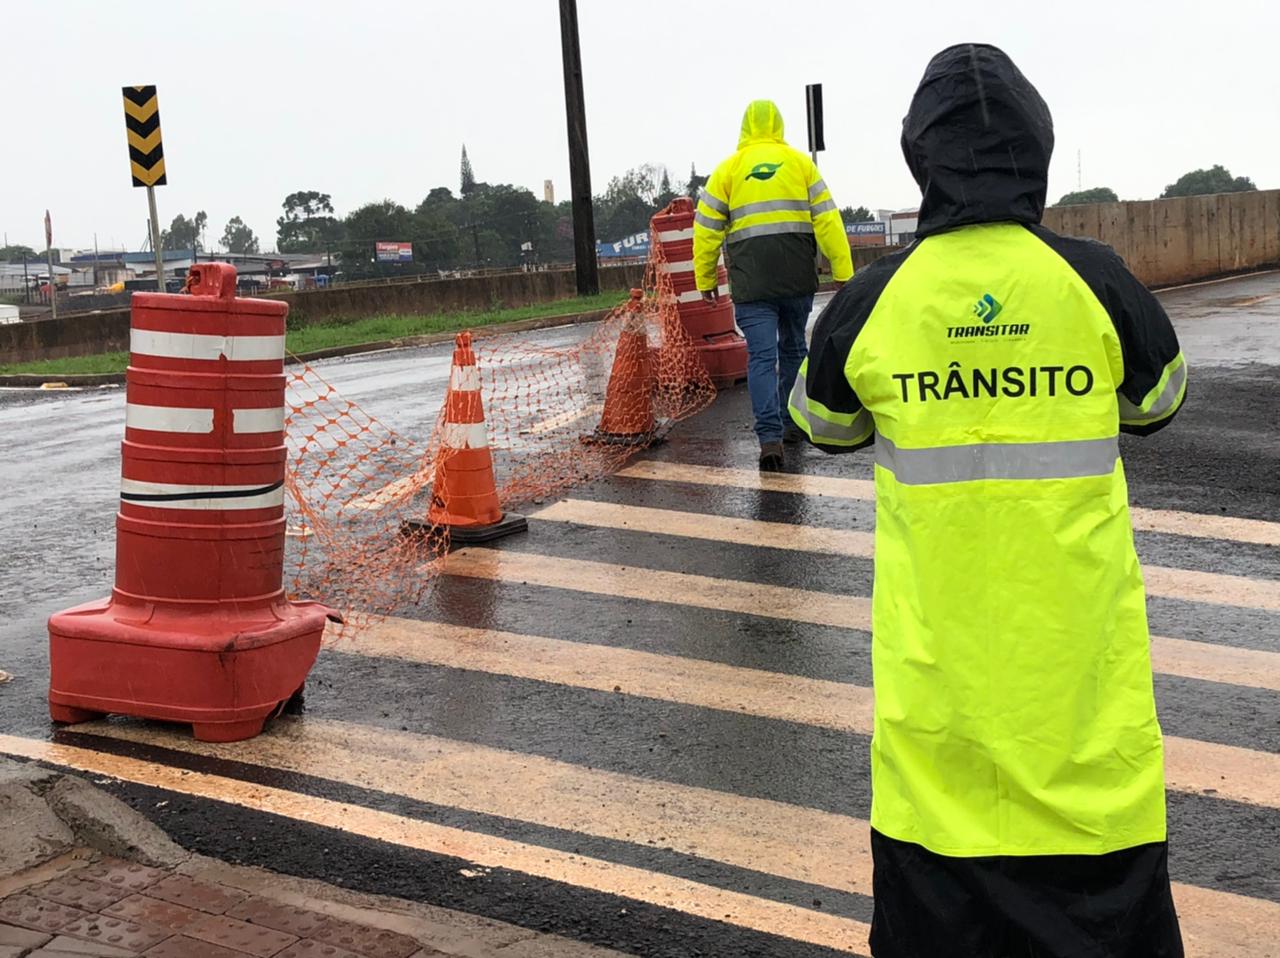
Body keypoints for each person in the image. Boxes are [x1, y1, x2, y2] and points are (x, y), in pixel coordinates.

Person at [789, 44, 1187, 957]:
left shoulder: (875, 299)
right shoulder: (1095, 278)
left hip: (940, 743)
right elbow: (1160, 399)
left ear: (919, 157)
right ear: (1036, 148)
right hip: (1087, 733)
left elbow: (823, 420)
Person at [693, 99, 854, 472]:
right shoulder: (801, 165)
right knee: (795, 348)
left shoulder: (728, 171)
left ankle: (769, 438)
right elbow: (828, 220)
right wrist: (842, 270)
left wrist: (705, 278)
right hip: (797, 279)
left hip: (753, 285)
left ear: (745, 127)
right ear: (779, 126)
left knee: (762, 357)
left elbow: (706, 230)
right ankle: (791, 422)